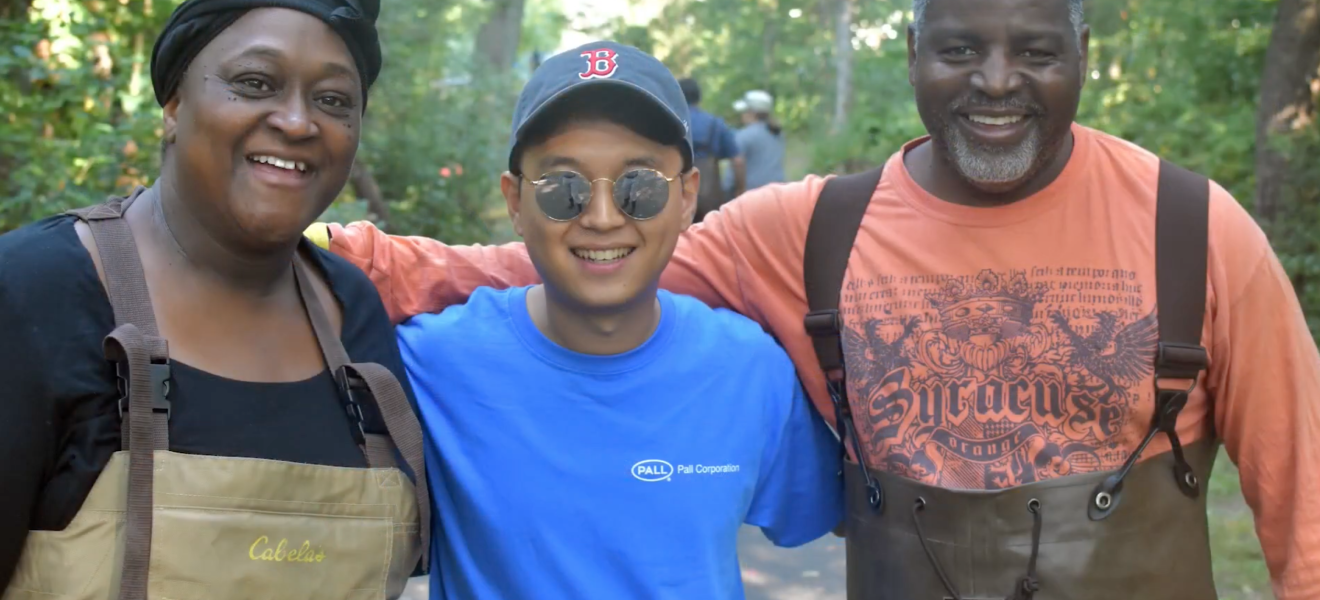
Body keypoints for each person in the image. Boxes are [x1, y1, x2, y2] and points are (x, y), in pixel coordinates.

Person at [305, 0, 1320, 597]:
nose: (997, 82)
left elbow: (1306, 496)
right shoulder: (802, 230)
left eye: (1037, 51)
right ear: (914, 51)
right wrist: (321, 252)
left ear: (1084, 55)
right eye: (961, 47)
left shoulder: (1195, 230)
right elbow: (570, 267)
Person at [0, 1, 431, 597]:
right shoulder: (34, 292)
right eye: (255, 83)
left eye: (333, 100)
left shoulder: (351, 311)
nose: (299, 122)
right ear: (174, 102)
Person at [394, 41, 844, 600]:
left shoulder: (750, 371)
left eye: (640, 187)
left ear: (686, 198)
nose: (603, 219)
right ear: (515, 202)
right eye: (564, 190)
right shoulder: (429, 364)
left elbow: (850, 519)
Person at [679, 77, 745, 222]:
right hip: (709, 194)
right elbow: (738, 160)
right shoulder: (715, 123)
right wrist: (740, 189)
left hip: (678, 196)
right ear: (699, 97)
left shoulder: (671, 122)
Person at [733, 90, 786, 191]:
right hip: (779, 190)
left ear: (751, 113)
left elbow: (737, 164)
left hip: (753, 193)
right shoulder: (777, 133)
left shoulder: (743, 136)